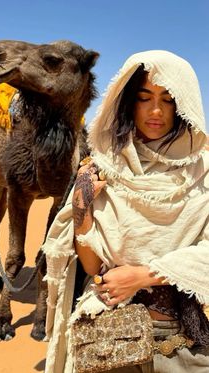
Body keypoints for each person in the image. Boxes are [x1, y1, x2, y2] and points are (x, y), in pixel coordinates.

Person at [43, 50, 209, 373]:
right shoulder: (105, 166)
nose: (156, 110)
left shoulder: (201, 174)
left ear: (182, 106)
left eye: (167, 99)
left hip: (182, 339)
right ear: (129, 102)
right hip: (112, 338)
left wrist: (140, 277)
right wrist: (81, 206)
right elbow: (92, 264)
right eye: (144, 98)